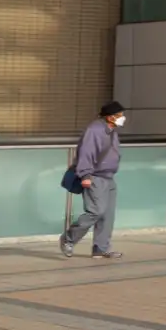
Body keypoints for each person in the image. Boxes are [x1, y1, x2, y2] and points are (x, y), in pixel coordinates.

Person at [60, 101, 126, 260]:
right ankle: (68, 239)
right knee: (96, 211)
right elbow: (86, 153)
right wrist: (85, 175)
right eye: (120, 115)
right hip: (95, 177)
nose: (123, 118)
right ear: (110, 117)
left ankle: (100, 249)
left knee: (107, 215)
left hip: (108, 177)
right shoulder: (94, 130)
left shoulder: (111, 130)